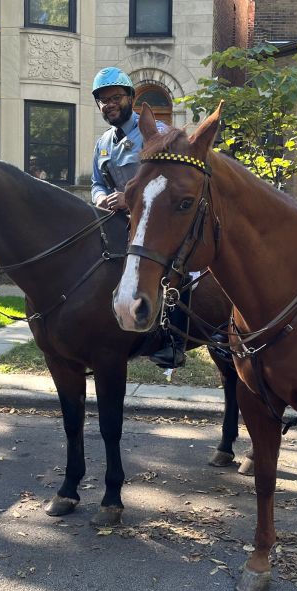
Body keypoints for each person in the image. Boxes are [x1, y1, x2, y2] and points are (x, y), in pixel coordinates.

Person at [90, 66, 185, 368]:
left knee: (176, 272)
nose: (109, 104)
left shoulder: (156, 133)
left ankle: (173, 340)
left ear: (130, 98)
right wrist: (99, 198)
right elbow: (96, 182)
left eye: (115, 97)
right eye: (103, 100)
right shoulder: (103, 142)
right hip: (115, 222)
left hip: (153, 224)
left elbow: (170, 183)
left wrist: (128, 200)